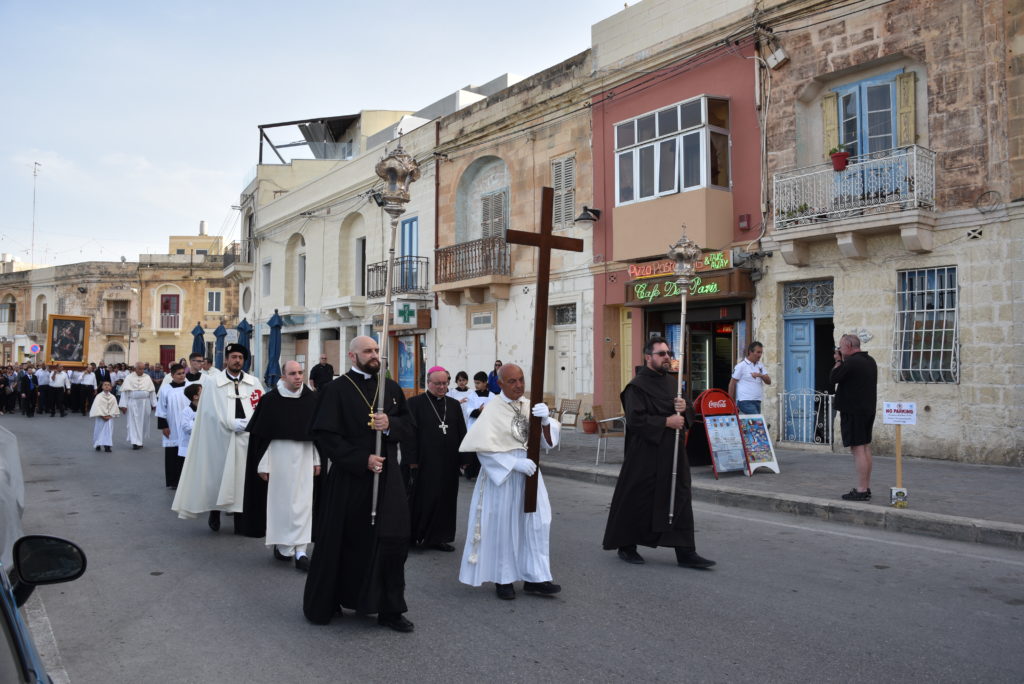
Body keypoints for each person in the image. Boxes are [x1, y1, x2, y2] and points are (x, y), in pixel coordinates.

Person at [302, 335, 415, 632]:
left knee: (391, 542)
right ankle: (335, 598)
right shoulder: (336, 390)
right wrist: (360, 459)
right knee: (346, 542)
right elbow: (325, 436)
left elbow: (409, 425)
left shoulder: (389, 388)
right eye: (368, 351)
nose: (375, 355)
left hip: (387, 480)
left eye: (377, 350)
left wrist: (390, 425)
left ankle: (390, 609)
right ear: (352, 357)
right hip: (350, 480)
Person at [602, 336, 715, 569]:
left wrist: (686, 410)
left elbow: (687, 413)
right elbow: (635, 420)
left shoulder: (673, 383)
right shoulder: (636, 386)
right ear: (648, 357)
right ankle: (627, 545)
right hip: (645, 453)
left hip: (672, 452)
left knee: (680, 496)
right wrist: (665, 422)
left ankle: (686, 551)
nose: (667, 357)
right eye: (661, 354)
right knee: (638, 498)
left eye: (668, 353)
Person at [458, 363, 561, 601]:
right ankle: (503, 578)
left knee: (537, 522)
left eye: (521, 380)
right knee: (504, 526)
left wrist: (546, 421)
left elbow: (547, 443)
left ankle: (536, 577)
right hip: (503, 474)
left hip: (530, 472)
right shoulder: (492, 408)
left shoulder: (529, 406)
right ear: (500, 383)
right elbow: (483, 448)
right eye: (512, 381)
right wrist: (512, 464)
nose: (519, 385)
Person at [172, 343, 265, 532]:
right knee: (218, 477)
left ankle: (241, 518)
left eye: (240, 357)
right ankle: (215, 512)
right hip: (221, 438)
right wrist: (230, 422)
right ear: (227, 360)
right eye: (234, 357)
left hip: (246, 439)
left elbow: (260, 406)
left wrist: (251, 423)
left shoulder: (254, 382)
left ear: (244, 360)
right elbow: (208, 412)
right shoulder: (213, 382)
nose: (237, 360)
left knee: (243, 480)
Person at [240, 360, 321, 570]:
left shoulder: (312, 399)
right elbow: (262, 438)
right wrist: (263, 465)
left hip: (304, 458)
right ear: (283, 376)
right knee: (282, 504)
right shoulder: (270, 401)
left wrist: (316, 459)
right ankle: (284, 546)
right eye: (292, 373)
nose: (298, 377)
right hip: (278, 459)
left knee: (303, 504)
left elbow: (317, 437)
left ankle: (301, 551)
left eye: (300, 373)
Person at [404, 367, 468, 552]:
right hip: (424, 461)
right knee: (421, 499)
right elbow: (408, 434)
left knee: (445, 500)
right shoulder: (414, 403)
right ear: (428, 383)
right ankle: (414, 537)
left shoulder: (453, 404)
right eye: (438, 383)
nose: (442, 387)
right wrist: (411, 459)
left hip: (448, 462)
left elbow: (462, 431)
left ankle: (438, 538)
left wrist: (465, 457)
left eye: (445, 383)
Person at [830, 334, 878, 501]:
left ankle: (862, 489)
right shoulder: (870, 360)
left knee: (858, 449)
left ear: (849, 346)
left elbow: (833, 378)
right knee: (864, 447)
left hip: (854, 411)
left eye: (841, 347)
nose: (839, 350)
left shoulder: (850, 362)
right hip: (867, 409)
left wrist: (838, 361)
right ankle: (866, 486)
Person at [156, 364, 189, 488]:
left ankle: (186, 480)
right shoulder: (165, 389)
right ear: (172, 375)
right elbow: (161, 408)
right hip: (172, 425)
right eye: (179, 374)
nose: (182, 376)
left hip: (187, 425)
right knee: (172, 454)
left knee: (186, 452)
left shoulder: (190, 386)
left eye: (183, 373)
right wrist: (164, 426)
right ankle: (173, 481)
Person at [119, 362, 157, 449]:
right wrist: (123, 405)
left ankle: (140, 441)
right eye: (140, 368)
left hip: (145, 403)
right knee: (133, 422)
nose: (142, 370)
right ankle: (135, 442)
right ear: (135, 369)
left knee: (143, 422)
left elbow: (152, 392)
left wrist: (154, 404)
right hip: (133, 403)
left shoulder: (147, 377)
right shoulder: (129, 377)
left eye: (143, 369)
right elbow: (124, 393)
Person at [729, 341, 771, 415]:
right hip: (745, 401)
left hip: (757, 401)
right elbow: (732, 383)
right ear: (750, 352)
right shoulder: (741, 366)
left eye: (761, 352)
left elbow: (769, 382)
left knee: (752, 424)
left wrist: (760, 375)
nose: (760, 355)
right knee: (757, 423)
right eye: (758, 352)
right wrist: (731, 401)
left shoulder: (760, 366)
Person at [90, 381, 119, 452]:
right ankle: (98, 444)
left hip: (109, 418)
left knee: (108, 431)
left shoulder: (113, 397)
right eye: (105, 385)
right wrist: (102, 416)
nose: (106, 386)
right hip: (101, 417)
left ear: (111, 387)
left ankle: (107, 446)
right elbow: (97, 407)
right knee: (99, 430)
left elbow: (114, 407)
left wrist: (110, 415)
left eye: (108, 385)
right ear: (102, 387)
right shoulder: (99, 396)